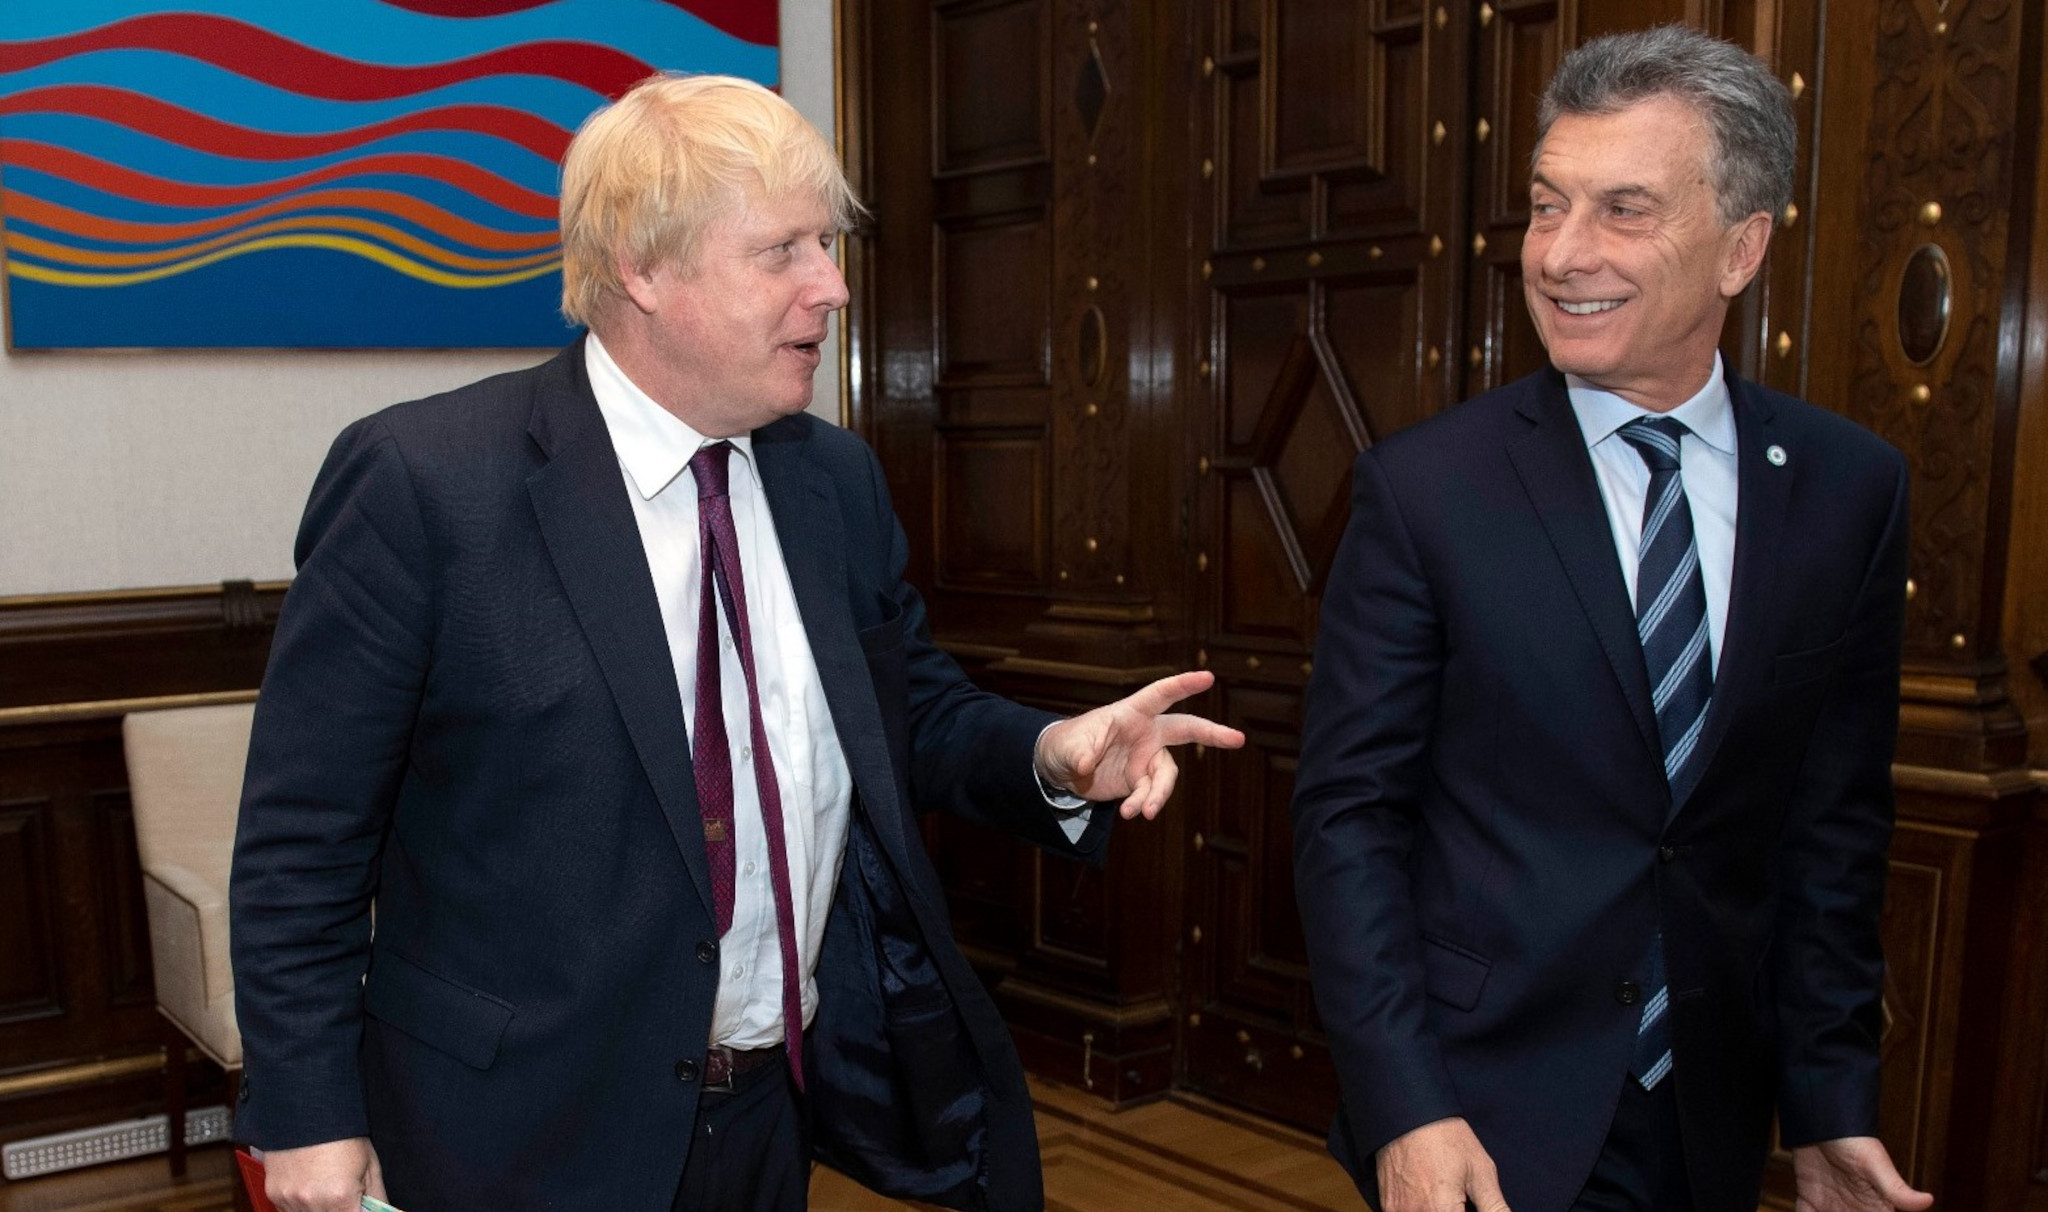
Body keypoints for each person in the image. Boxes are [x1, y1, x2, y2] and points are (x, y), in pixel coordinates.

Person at [229, 73, 1242, 1212]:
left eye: (828, 244)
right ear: (641, 268)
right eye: (783, 251)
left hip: (768, 1118)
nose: (834, 288)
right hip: (508, 1138)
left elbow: (905, 714)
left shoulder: (833, 481)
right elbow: (302, 842)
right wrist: (308, 1117)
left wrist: (1055, 756)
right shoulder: (427, 484)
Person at [1291, 26, 1935, 1212]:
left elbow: (1830, 833)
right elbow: (1348, 822)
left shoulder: (1848, 489)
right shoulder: (1426, 490)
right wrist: (1405, 1105)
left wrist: (1831, 1106)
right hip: (1477, 1112)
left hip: (1708, 1115)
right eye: (1546, 206)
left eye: (1622, 209)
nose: (1561, 253)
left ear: (1740, 247)